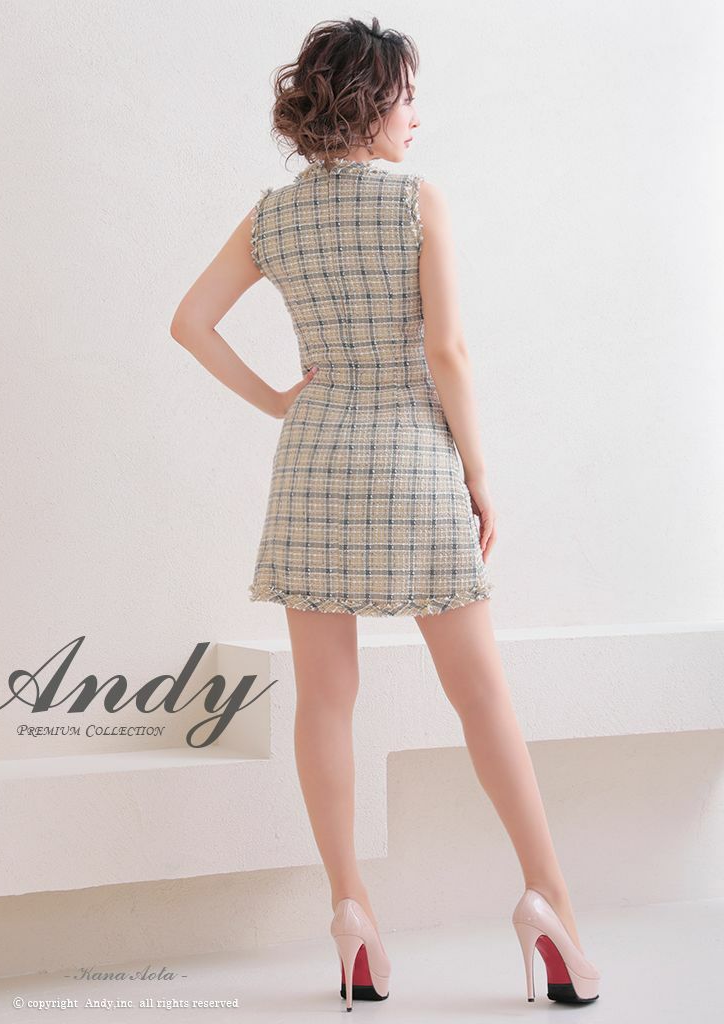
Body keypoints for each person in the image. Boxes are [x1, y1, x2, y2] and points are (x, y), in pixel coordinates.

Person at [170, 15, 600, 1010]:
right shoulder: (416, 201)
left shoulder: (274, 215)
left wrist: (279, 400)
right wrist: (478, 473)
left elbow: (189, 321)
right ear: (371, 101)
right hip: (413, 456)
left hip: (315, 460)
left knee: (326, 701)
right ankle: (553, 903)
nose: (417, 116)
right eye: (408, 96)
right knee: (482, 696)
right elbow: (447, 351)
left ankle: (351, 913)